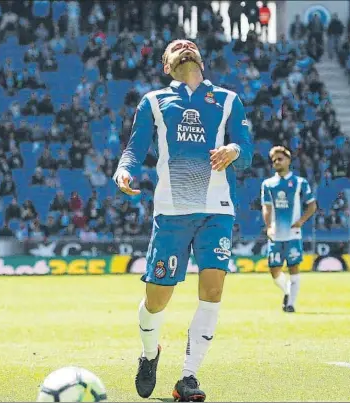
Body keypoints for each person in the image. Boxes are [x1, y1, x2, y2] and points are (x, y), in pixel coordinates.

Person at [113, 39, 253, 402]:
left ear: (201, 60)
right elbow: (135, 146)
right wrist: (124, 170)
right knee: (157, 299)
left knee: (213, 290)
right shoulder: (154, 102)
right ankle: (149, 353)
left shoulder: (227, 100)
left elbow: (248, 151)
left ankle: (187, 378)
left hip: (217, 209)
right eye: (175, 48)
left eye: (189, 46)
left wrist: (233, 149)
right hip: (172, 211)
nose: (184, 49)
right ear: (166, 66)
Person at [261, 146, 317, 313]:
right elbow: (266, 207)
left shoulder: (300, 182)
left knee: (293, 267)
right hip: (275, 234)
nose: (277, 162)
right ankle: (287, 291)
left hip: (293, 234)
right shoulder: (268, 184)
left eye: (280, 159)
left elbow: (312, 205)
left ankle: (291, 303)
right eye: (274, 160)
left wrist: (301, 221)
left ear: (288, 160)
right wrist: (269, 227)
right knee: (274, 269)